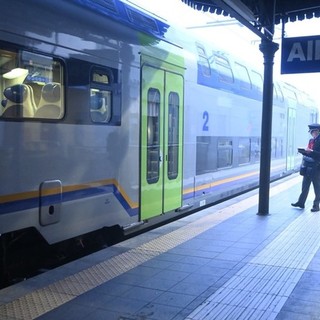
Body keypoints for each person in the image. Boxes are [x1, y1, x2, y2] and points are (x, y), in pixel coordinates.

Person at [292, 123, 320, 212]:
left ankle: (316, 206)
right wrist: (303, 152)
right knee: (305, 186)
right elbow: (309, 152)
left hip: (316, 167)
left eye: (313, 132)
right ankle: (301, 202)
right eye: (311, 132)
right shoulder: (311, 140)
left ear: (317, 131)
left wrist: (311, 151)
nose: (312, 134)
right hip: (308, 166)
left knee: (317, 187)